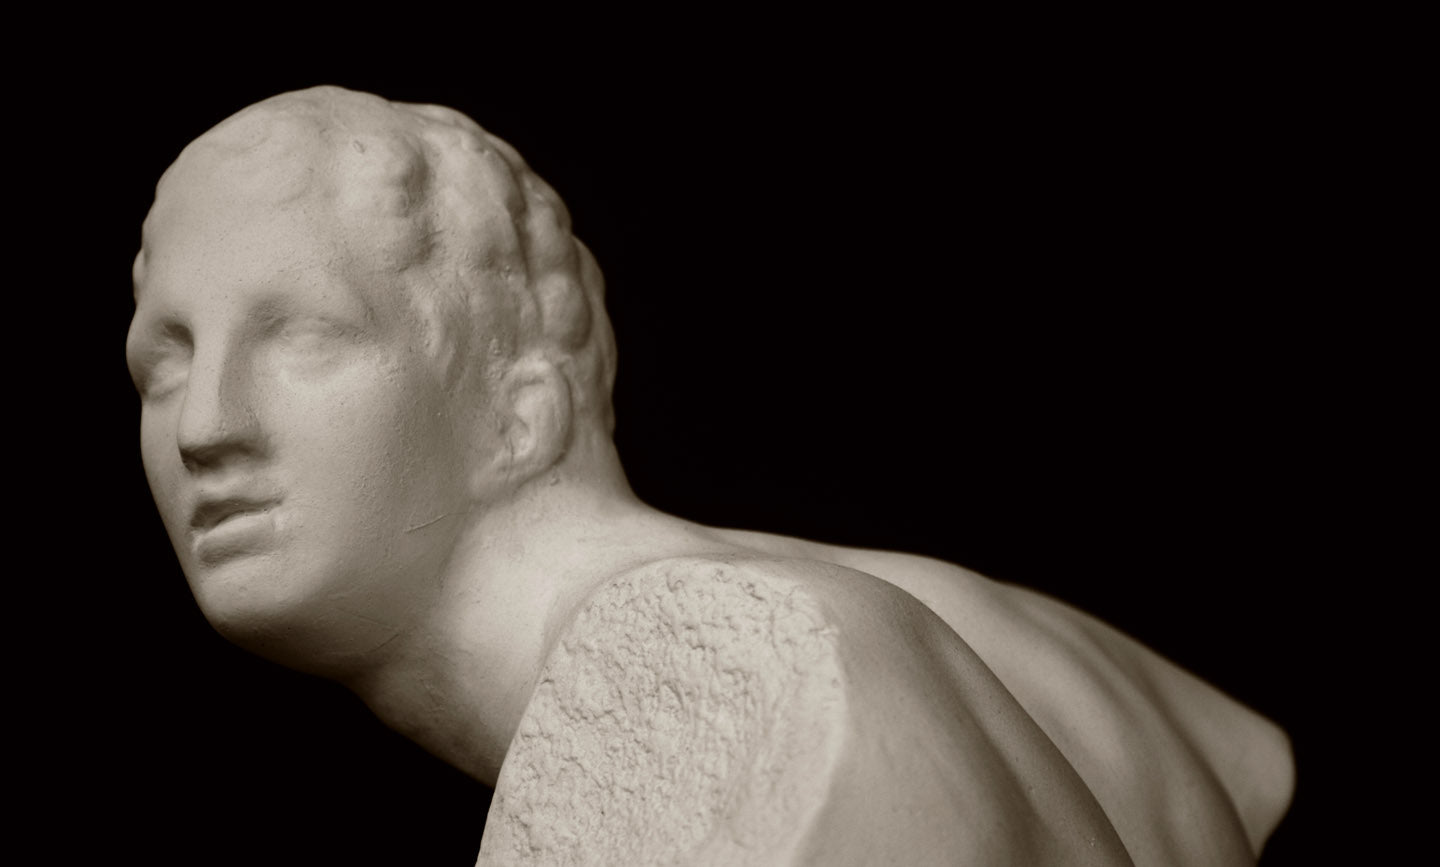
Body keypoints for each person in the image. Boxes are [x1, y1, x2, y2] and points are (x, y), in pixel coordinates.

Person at [128, 85, 1293, 865]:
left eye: (306, 339)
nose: (204, 428)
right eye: (160, 367)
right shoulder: (1010, 635)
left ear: (515, 411)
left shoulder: (691, 698)